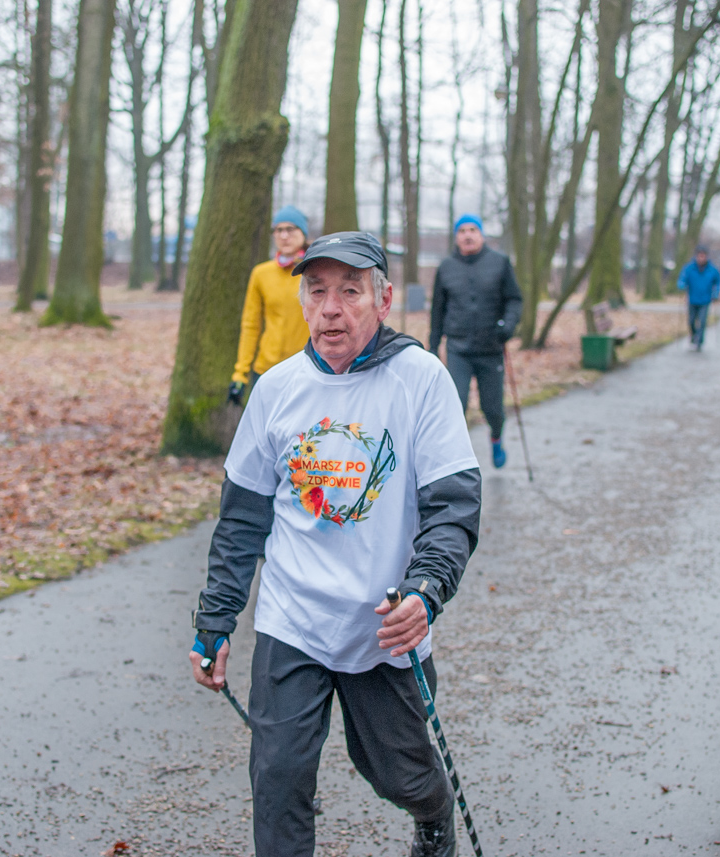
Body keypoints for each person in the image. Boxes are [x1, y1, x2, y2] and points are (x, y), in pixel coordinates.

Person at [190, 231, 482, 857]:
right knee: (279, 777)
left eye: (350, 292)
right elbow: (242, 520)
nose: (331, 308)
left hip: (385, 624)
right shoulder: (275, 390)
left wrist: (426, 591)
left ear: (383, 300)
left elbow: (453, 508)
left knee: (398, 774)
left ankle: (432, 816)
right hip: (293, 619)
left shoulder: (421, 380)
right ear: (300, 302)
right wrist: (215, 620)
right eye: (316, 291)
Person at [428, 213, 523, 469]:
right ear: (456, 237)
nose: (467, 235)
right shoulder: (446, 267)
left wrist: (508, 325)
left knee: (492, 407)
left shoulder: (500, 263)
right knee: (455, 404)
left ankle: (495, 436)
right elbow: (438, 309)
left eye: (473, 230)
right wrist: (433, 346)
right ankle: (456, 459)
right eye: (462, 231)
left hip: (490, 346)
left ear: (481, 235)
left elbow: (514, 299)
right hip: (458, 347)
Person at [228, 205, 312, 405]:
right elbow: (251, 325)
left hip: (307, 369)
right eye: (278, 230)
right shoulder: (261, 274)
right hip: (267, 371)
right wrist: (241, 373)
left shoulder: (314, 272)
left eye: (291, 229)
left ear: (303, 234)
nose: (284, 236)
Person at [678, 245, 720, 352]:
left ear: (706, 257)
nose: (701, 258)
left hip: (705, 300)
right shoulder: (689, 268)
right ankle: (693, 337)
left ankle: (699, 341)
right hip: (692, 299)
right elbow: (682, 278)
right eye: (699, 256)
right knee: (691, 321)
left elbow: (718, 281)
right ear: (696, 256)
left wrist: (716, 293)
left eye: (703, 256)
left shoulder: (712, 270)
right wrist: (681, 284)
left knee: (702, 321)